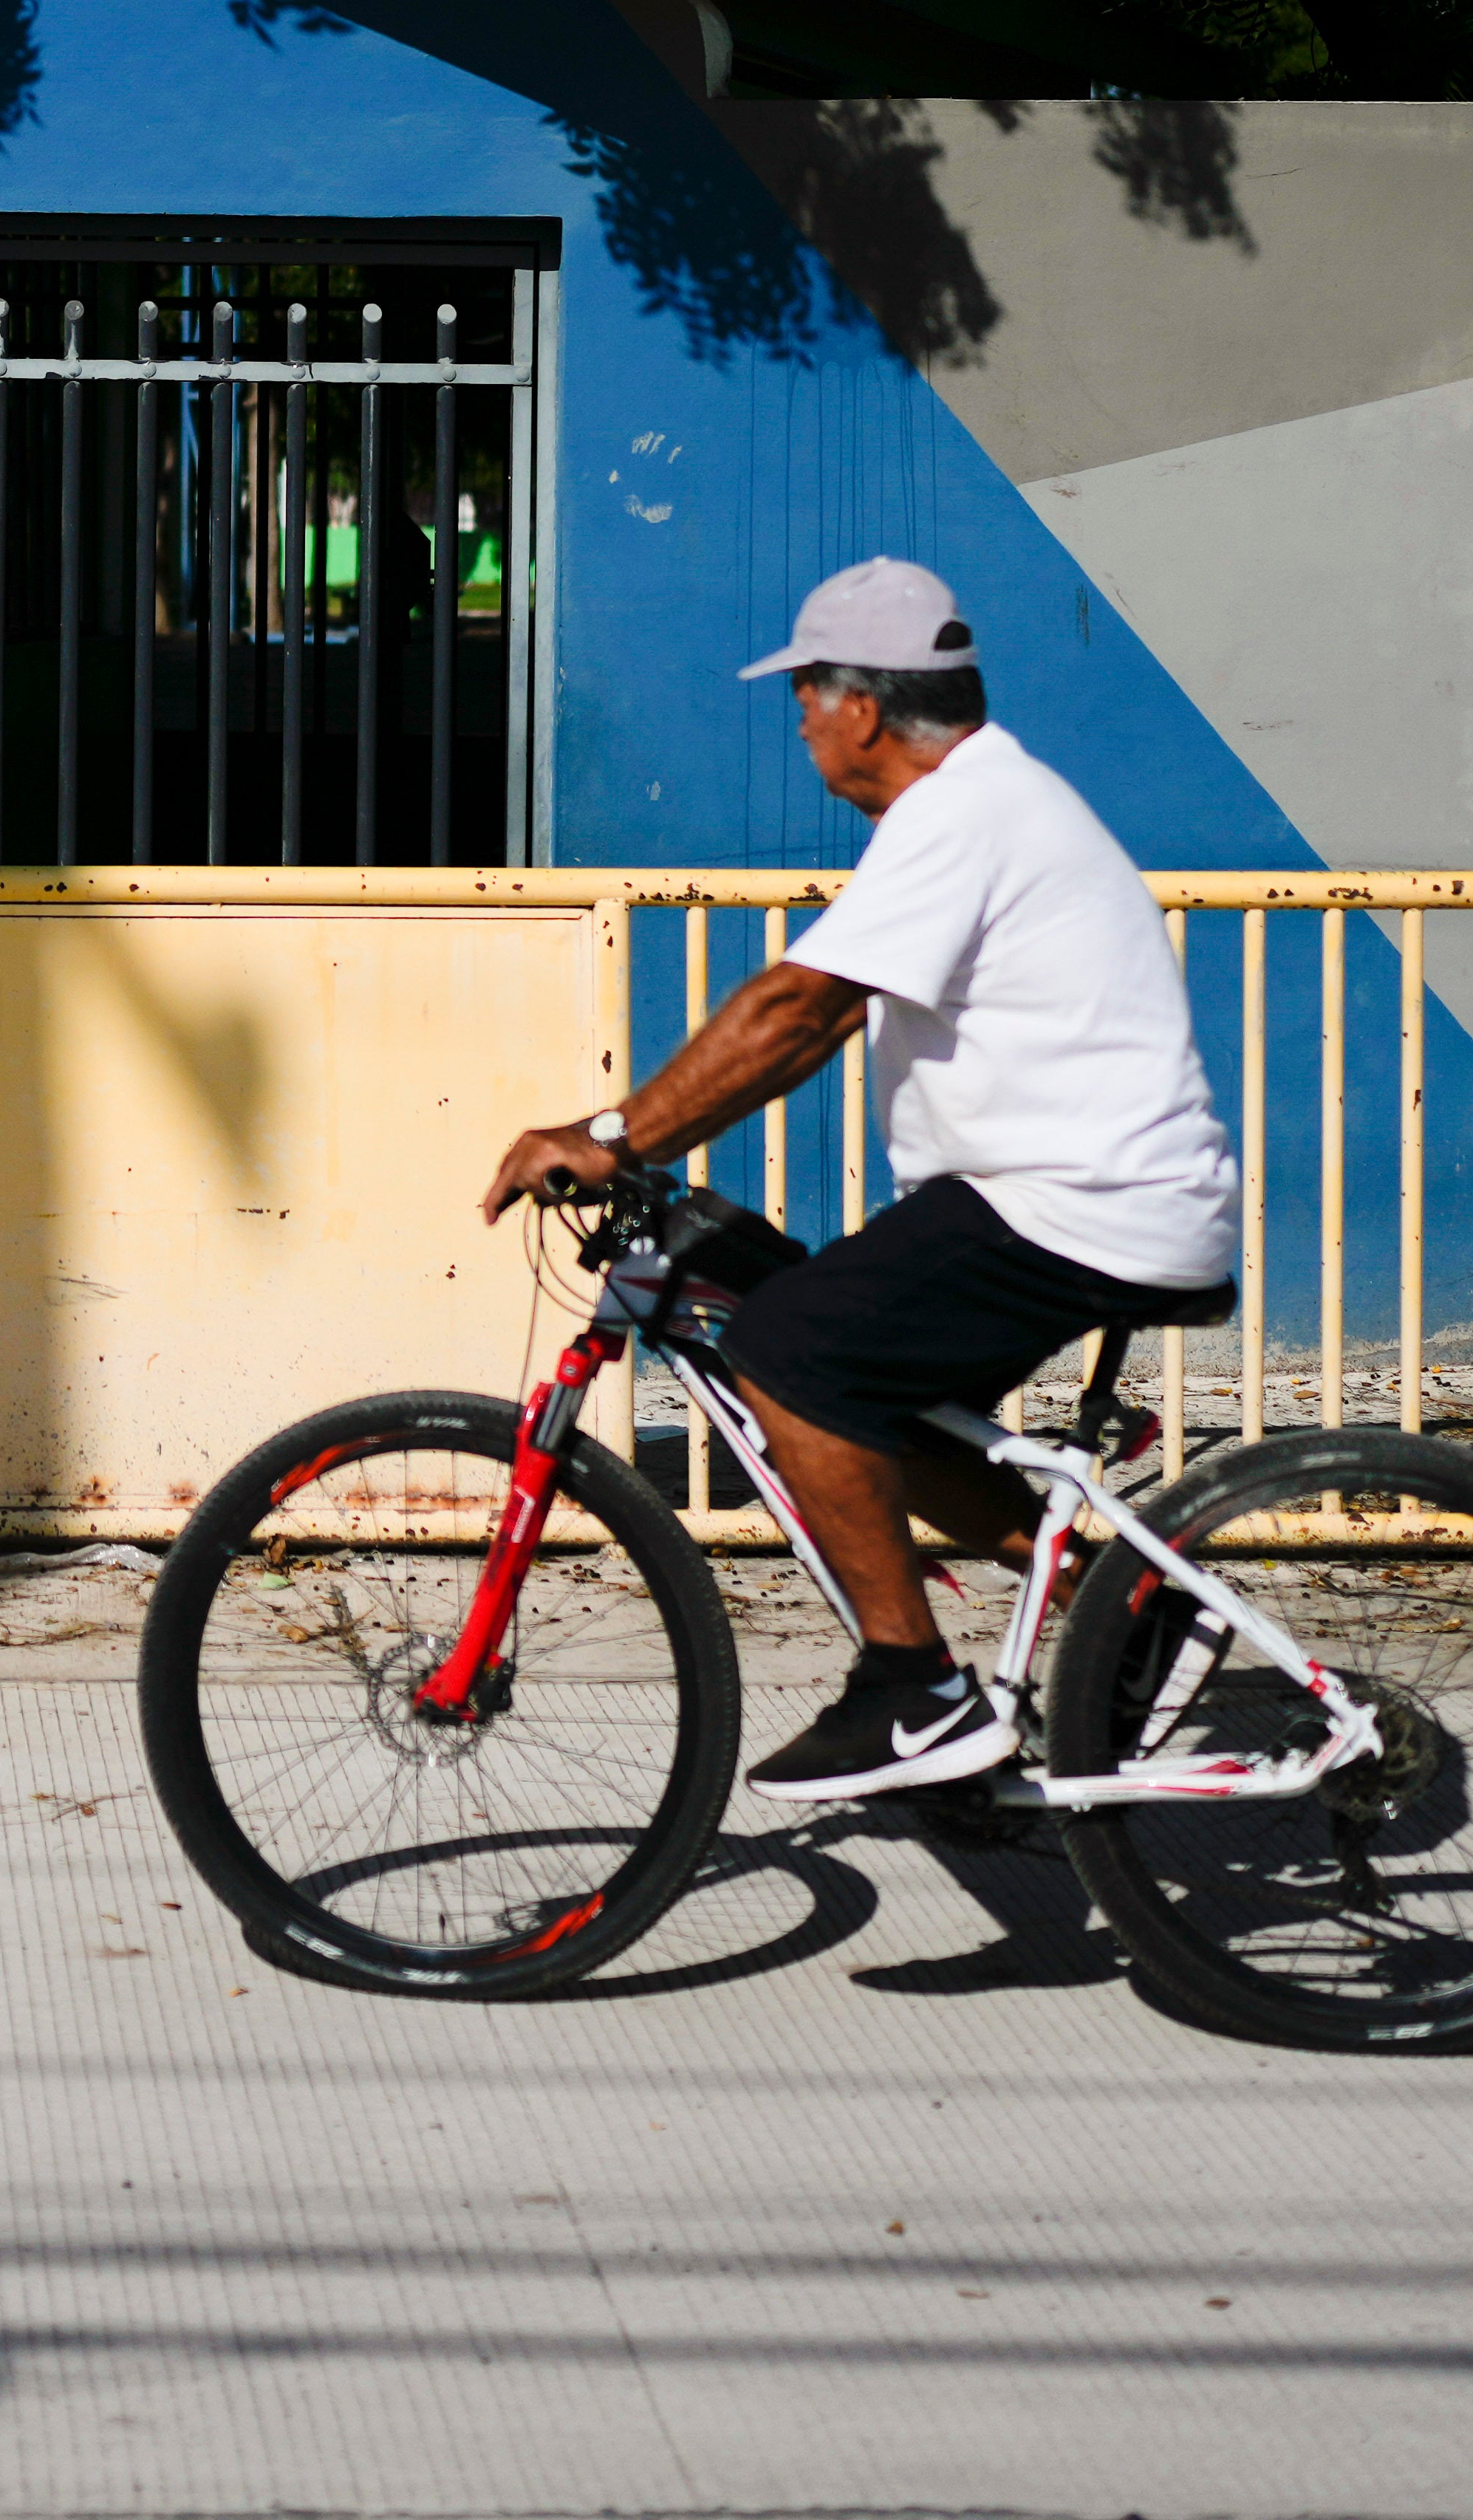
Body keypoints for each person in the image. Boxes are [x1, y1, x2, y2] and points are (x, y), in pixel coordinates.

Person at [475, 555, 1238, 1803]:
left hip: (1080, 1205)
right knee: (872, 1395)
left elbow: (800, 1011)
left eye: (807, 692)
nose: (799, 718)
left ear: (865, 708)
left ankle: (914, 1692)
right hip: (1066, 1197)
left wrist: (613, 1135)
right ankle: (1140, 1607)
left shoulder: (964, 814)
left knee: (791, 1352)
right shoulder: (978, 805)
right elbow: (815, 1013)